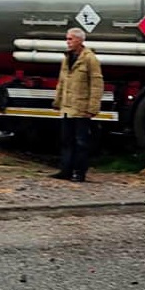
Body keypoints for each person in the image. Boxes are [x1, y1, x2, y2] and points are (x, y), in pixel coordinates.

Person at [50, 27, 104, 182]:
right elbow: (62, 81)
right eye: (67, 39)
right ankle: (65, 170)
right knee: (66, 140)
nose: (68, 42)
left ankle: (79, 172)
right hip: (67, 107)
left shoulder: (89, 58)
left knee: (81, 142)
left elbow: (96, 84)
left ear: (80, 40)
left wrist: (93, 107)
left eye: (70, 39)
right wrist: (58, 101)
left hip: (81, 108)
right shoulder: (67, 58)